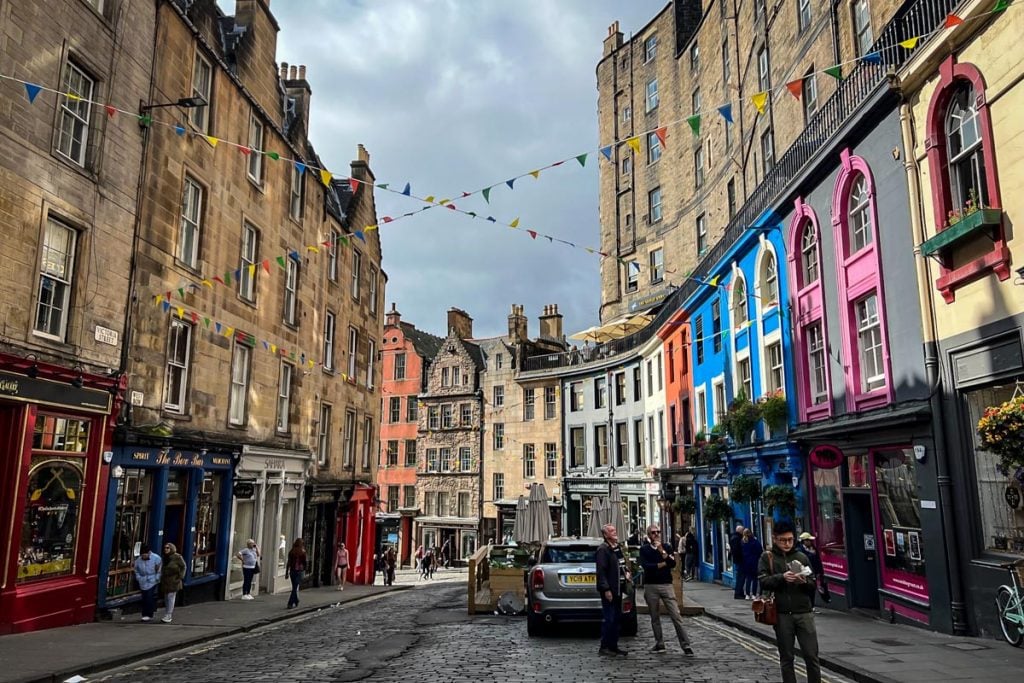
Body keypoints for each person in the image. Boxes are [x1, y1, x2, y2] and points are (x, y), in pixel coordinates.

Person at [759, 521, 821, 683]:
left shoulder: (801, 557)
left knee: (811, 656)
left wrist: (803, 582)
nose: (787, 544)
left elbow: (813, 585)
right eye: (783, 540)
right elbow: (763, 581)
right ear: (775, 539)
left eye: (790, 540)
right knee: (787, 658)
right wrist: (782, 577)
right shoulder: (768, 557)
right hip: (782, 614)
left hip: (804, 613)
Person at [638, 524, 695, 656]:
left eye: (658, 532)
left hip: (666, 585)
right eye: (653, 532)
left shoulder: (667, 547)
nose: (656, 534)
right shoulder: (644, 549)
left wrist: (662, 551)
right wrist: (662, 564)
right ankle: (659, 643)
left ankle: (686, 645)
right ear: (648, 535)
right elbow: (647, 566)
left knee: (676, 615)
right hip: (650, 585)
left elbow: (673, 564)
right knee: (654, 617)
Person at [595, 523, 630, 657]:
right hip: (610, 589)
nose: (615, 532)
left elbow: (622, 564)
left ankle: (613, 646)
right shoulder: (603, 550)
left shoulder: (616, 548)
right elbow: (601, 572)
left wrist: (626, 572)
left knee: (616, 618)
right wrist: (606, 589)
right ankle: (604, 647)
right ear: (605, 535)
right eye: (611, 531)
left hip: (619, 588)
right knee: (609, 618)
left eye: (615, 530)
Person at [800, 532, 830, 612]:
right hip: (805, 573)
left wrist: (820, 572)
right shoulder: (800, 550)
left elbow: (818, 561)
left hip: (814, 572)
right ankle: (807, 606)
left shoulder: (813, 548)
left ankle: (812, 606)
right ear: (804, 541)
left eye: (811, 540)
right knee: (806, 590)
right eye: (809, 540)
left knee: (812, 589)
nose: (810, 542)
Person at [133, 543, 161, 621]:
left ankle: (148, 614)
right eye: (142, 555)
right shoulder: (138, 560)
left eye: (145, 555)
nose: (143, 557)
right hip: (143, 580)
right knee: (145, 597)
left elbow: (159, 570)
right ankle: (146, 613)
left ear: (149, 553)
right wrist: (138, 578)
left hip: (152, 580)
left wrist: (156, 578)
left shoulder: (156, 558)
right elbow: (136, 570)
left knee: (149, 596)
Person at [160, 542, 185, 623]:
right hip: (166, 580)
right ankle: (167, 613)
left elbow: (184, 567)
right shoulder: (165, 557)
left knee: (171, 597)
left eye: (168, 548)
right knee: (166, 597)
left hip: (174, 580)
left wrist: (180, 577)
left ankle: (169, 615)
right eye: (165, 548)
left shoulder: (177, 557)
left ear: (172, 548)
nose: (166, 549)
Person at [741, 528, 764, 599]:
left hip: (746, 562)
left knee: (748, 578)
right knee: (754, 579)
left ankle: (747, 595)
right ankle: (754, 594)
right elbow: (760, 551)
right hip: (754, 562)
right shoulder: (755, 542)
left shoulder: (743, 542)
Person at [286, 538, 307, 608]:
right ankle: (290, 603)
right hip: (299, 571)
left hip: (292, 571)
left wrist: (286, 572)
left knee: (294, 587)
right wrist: (305, 569)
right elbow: (305, 563)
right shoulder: (303, 552)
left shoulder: (291, 552)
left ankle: (295, 600)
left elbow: (288, 563)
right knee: (295, 588)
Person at [730, 524, 745, 599]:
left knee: (740, 577)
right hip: (739, 560)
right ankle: (738, 593)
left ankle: (740, 592)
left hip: (737, 560)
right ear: (740, 531)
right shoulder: (737, 538)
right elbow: (737, 550)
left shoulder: (734, 537)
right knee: (740, 577)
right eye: (743, 530)